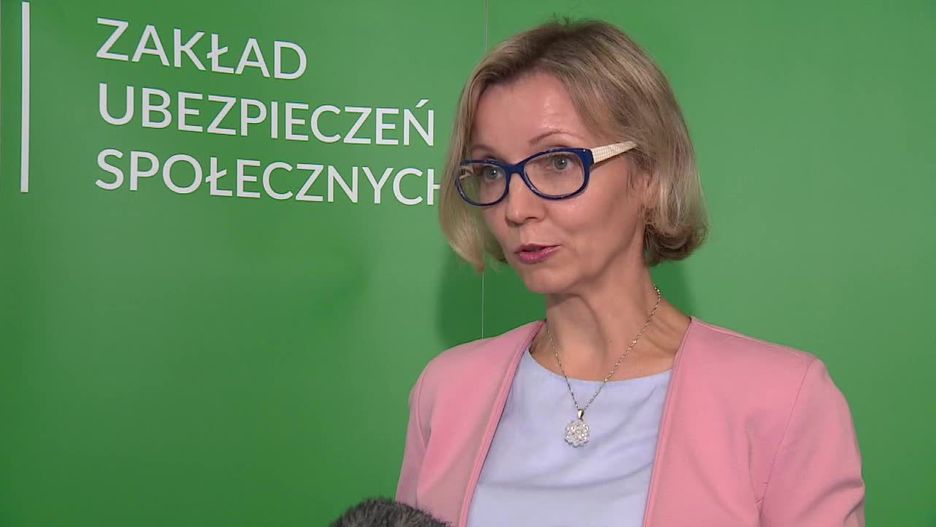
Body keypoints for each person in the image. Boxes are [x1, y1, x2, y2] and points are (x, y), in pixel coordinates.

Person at [396, 19, 865, 527]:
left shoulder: (781, 400)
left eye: (557, 162)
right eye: (491, 172)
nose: (516, 207)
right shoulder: (448, 392)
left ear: (648, 174)